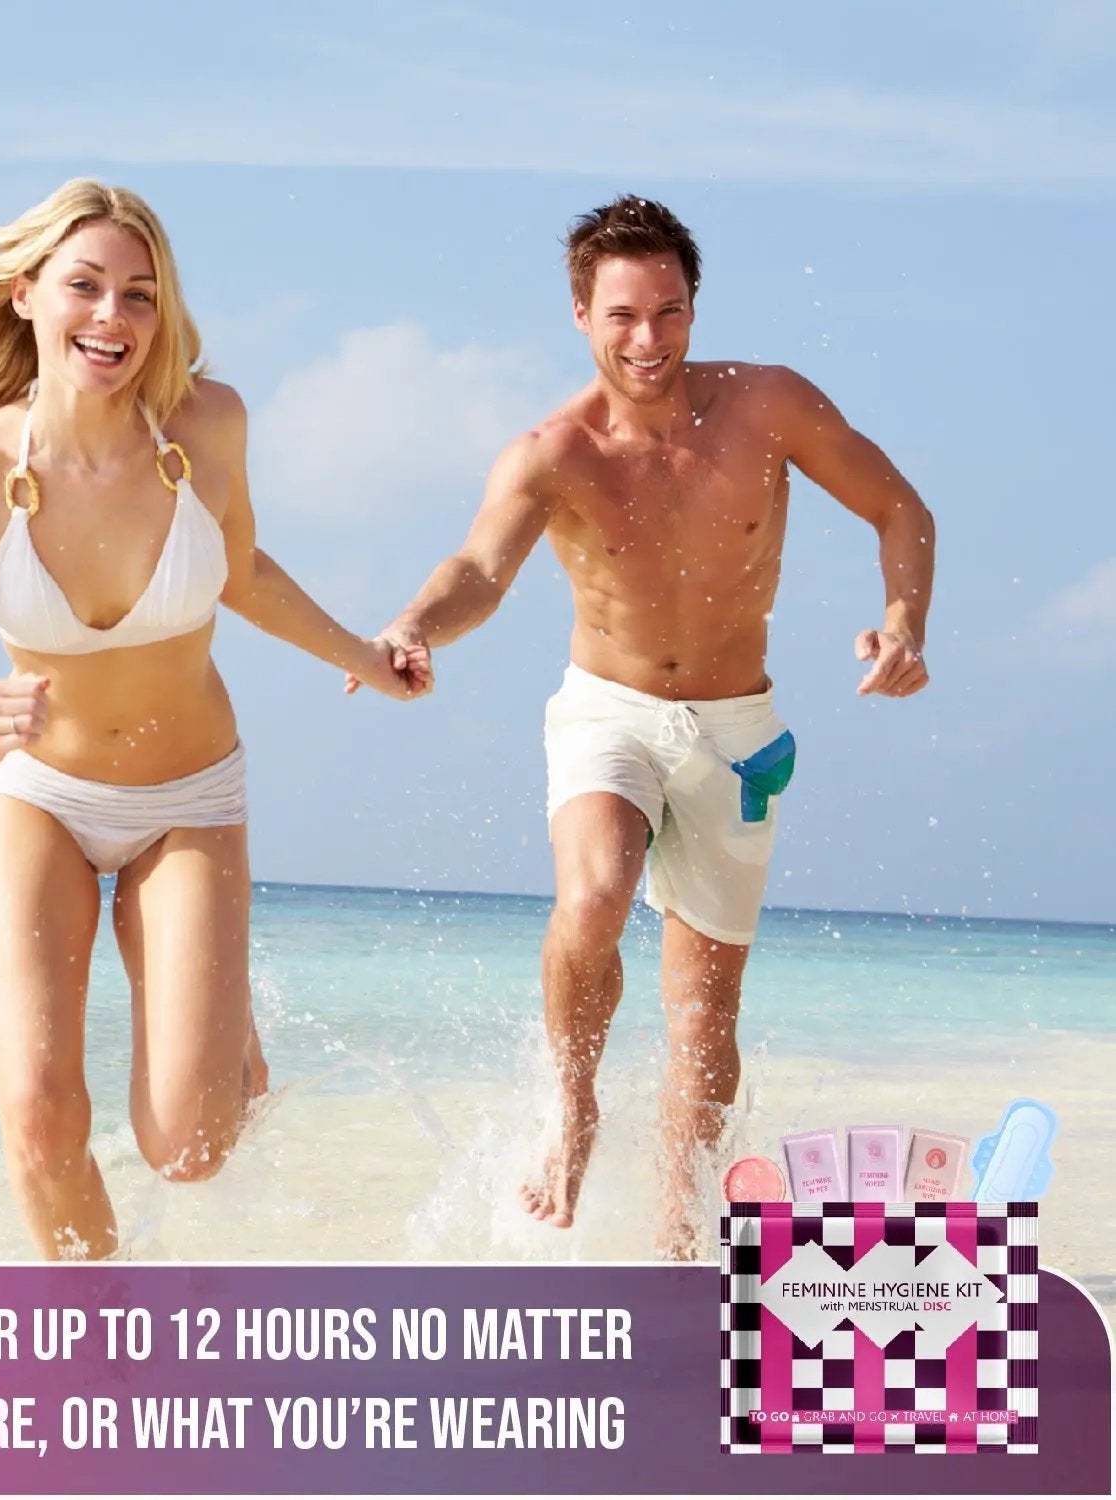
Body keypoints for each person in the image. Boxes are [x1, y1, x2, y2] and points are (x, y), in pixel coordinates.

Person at [0, 179, 430, 1260]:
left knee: (191, 1147)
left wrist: (364, 655)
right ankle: (97, 1355)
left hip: (189, 798)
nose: (112, 318)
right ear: (26, 294)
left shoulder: (208, 425)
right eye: (85, 287)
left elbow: (240, 566)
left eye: (140, 295)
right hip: (39, 799)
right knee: (38, 1112)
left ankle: (227, 1051)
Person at [355, 195, 934, 1254]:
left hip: (739, 729)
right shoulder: (552, 452)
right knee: (596, 891)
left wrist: (903, 622)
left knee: (705, 1020)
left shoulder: (769, 406)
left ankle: (674, 1245)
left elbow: (901, 508)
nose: (649, 339)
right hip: (608, 713)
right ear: (581, 314)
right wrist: (413, 624)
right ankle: (573, 1105)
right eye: (623, 315)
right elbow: (481, 570)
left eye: (668, 311)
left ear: (694, 307)